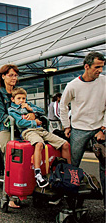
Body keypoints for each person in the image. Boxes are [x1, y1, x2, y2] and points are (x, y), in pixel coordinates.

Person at [60, 51, 105, 201]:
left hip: (99, 129)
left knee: (105, 167)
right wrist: (67, 126)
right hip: (79, 129)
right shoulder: (73, 85)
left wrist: (103, 128)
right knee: (73, 165)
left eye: (102, 67)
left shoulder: (104, 82)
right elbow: (63, 106)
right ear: (87, 66)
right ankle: (71, 200)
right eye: (97, 67)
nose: (100, 70)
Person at [8, 87, 71, 187]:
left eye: (23, 98)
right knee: (39, 144)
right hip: (27, 131)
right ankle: (38, 174)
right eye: (19, 98)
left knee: (65, 144)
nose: (21, 101)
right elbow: (20, 123)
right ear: (13, 99)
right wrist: (34, 122)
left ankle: (68, 172)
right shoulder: (12, 110)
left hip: (40, 130)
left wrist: (30, 109)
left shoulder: (28, 105)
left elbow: (42, 111)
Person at [0, 64, 24, 209]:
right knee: (10, 164)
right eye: (11, 75)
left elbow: (25, 107)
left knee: (25, 162)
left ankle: (22, 191)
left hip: (20, 130)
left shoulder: (19, 92)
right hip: (6, 130)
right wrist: (20, 119)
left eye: (16, 75)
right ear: (3, 76)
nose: (14, 78)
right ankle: (8, 195)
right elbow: (2, 116)